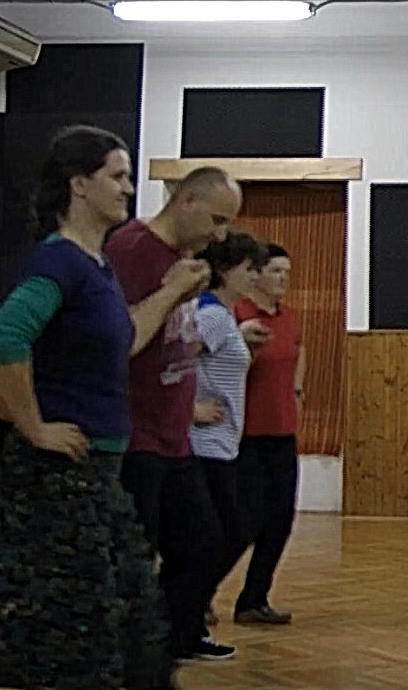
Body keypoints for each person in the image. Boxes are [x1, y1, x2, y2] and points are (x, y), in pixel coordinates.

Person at [0, 126, 185, 690]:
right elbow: (5, 337)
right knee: (73, 626)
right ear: (78, 184)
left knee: (124, 615)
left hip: (96, 471)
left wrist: (169, 293)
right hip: (57, 476)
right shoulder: (60, 262)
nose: (128, 188)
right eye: (117, 176)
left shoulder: (96, 266)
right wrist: (35, 427)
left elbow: (124, 339)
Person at [104, 166, 244, 662]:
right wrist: (169, 293)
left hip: (173, 438)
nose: (220, 235)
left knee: (205, 544)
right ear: (186, 201)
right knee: (135, 555)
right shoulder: (131, 249)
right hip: (135, 435)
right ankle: (131, 651)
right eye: (216, 220)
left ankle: (169, 640)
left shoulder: (184, 256)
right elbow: (118, 339)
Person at [189, 229, 265, 624]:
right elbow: (167, 361)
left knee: (222, 533)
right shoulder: (213, 317)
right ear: (224, 270)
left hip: (221, 442)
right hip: (204, 442)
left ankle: (193, 603)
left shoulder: (224, 317)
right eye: (249, 269)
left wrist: (240, 338)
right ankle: (186, 602)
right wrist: (189, 409)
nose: (255, 276)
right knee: (230, 532)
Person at [231, 243, 306, 625]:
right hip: (245, 435)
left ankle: (253, 599)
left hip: (281, 432)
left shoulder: (288, 318)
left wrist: (297, 391)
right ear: (255, 274)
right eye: (276, 271)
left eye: (287, 272)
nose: (283, 279)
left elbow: (298, 351)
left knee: (280, 520)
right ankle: (196, 595)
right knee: (241, 523)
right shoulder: (238, 314)